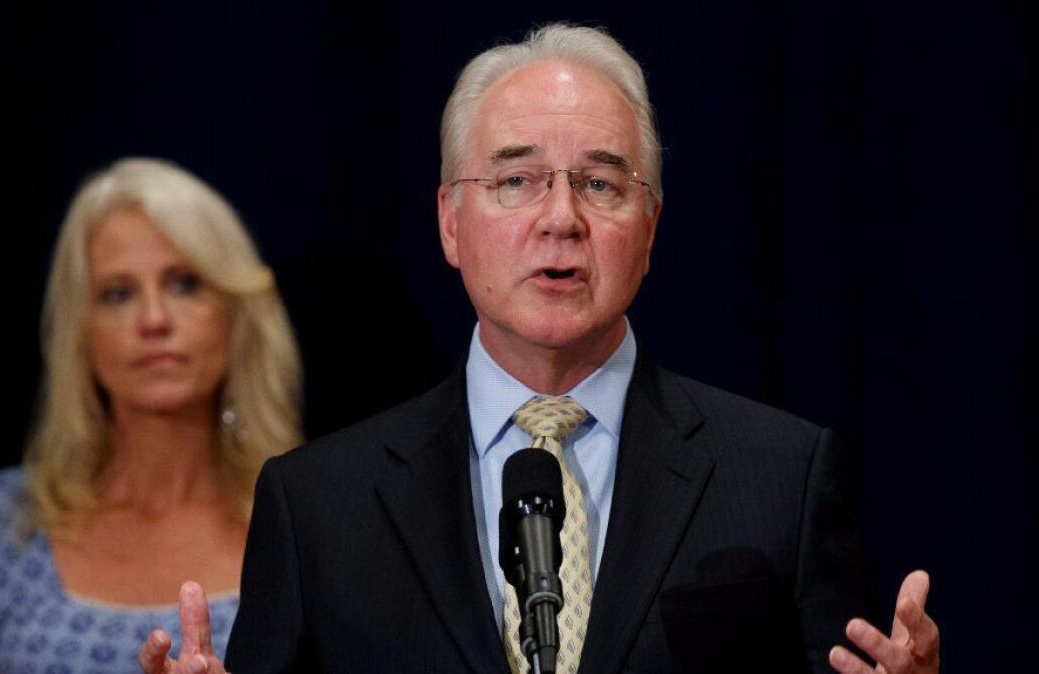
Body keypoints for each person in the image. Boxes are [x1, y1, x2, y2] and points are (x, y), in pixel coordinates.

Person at [140, 24, 940, 674]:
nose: (562, 219)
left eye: (600, 184)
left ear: (651, 227)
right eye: (516, 181)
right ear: (451, 222)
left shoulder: (781, 479)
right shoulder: (317, 507)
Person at [0, 157, 303, 673]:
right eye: (118, 293)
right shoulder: (4, 522)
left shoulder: (312, 524)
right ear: (81, 330)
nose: (154, 320)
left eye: (183, 284)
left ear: (236, 314)